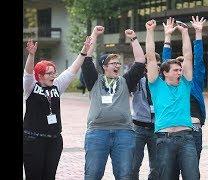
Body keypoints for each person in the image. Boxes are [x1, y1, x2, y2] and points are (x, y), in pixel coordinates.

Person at [23, 35, 92, 180]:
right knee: (34, 176)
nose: (53, 75)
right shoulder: (31, 87)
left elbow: (73, 69)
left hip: (54, 140)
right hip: (33, 140)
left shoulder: (57, 86)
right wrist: (31, 54)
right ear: (40, 75)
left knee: (49, 176)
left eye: (54, 72)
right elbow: (28, 73)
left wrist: (84, 50)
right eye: (49, 73)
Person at [81, 27, 146, 180]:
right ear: (104, 66)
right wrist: (94, 35)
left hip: (124, 133)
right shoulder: (94, 81)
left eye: (118, 63)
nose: (117, 65)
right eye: (113, 63)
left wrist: (134, 38)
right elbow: (87, 60)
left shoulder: (125, 81)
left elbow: (140, 62)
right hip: (97, 133)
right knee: (92, 174)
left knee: (124, 175)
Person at [145, 19, 200, 180]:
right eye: (176, 70)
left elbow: (188, 57)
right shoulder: (156, 85)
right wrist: (150, 31)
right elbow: (150, 57)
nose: (179, 72)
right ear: (165, 72)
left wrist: (184, 33)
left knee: (193, 177)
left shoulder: (185, 84)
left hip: (186, 139)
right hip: (164, 139)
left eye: (180, 70)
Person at [162, 16, 207, 162]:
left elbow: (198, 60)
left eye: (183, 66)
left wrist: (198, 33)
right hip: (173, 129)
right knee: (171, 171)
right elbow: (165, 63)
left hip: (193, 127)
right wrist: (167, 36)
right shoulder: (168, 84)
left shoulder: (194, 83)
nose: (181, 70)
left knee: (192, 171)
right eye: (177, 67)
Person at [131, 53, 162, 180]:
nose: (157, 67)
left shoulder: (163, 81)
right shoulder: (137, 80)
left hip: (157, 128)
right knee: (133, 164)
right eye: (154, 64)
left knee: (156, 166)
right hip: (138, 127)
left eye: (159, 65)